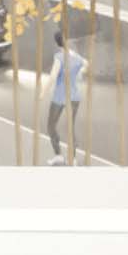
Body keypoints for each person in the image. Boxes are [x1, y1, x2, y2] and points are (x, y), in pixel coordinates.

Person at [45, 28, 88, 164]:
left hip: (59, 97)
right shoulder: (75, 56)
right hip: (75, 97)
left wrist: (42, 93)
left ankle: (58, 156)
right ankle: (73, 159)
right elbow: (87, 64)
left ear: (56, 43)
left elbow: (52, 77)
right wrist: (80, 74)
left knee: (51, 126)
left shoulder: (58, 57)